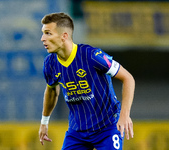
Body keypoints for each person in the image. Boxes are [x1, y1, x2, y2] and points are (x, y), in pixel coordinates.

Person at [39, 12, 135, 150]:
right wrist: (44, 122)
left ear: (64, 36)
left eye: (48, 33)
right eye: (43, 33)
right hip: (77, 132)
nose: (42, 38)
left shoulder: (92, 56)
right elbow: (52, 90)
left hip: (107, 127)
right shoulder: (50, 64)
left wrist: (124, 116)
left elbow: (128, 78)